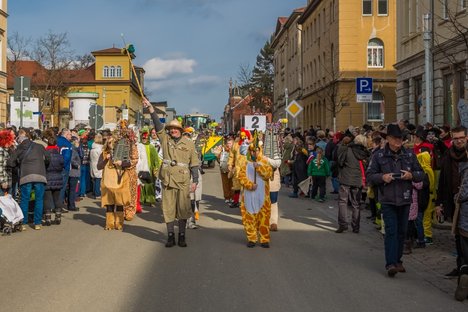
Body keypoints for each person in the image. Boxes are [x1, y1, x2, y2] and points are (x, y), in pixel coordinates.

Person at [367, 124, 424, 277]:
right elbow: (370, 176)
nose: (399, 140)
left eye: (400, 138)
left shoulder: (409, 155)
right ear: (388, 139)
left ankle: (398, 260)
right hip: (387, 199)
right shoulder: (379, 156)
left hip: (405, 198)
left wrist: (411, 175)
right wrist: (382, 177)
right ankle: (390, 263)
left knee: (402, 232)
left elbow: (421, 174)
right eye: (395, 138)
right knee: (391, 231)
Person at [144, 98, 199, 247]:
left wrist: (195, 181)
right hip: (167, 180)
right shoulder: (165, 139)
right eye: (171, 128)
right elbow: (157, 125)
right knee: (167, 209)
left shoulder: (189, 143)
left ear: (181, 130)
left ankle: (181, 236)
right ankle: (170, 236)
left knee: (183, 209)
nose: (173, 130)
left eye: (176, 129)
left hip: (183, 180)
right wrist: (151, 108)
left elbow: (194, 163)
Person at [435, 126, 468, 278]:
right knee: (457, 236)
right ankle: (461, 266)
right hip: (452, 200)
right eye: (456, 138)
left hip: (466, 201)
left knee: (465, 236)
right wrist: (438, 203)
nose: (459, 140)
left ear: (466, 137)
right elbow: (442, 181)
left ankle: (465, 269)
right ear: (452, 140)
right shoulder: (449, 155)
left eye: (462, 137)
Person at [98, 121, 139, 231]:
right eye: (109, 143)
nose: (111, 144)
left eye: (113, 143)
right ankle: (109, 223)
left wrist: (122, 163)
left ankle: (119, 223)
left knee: (120, 202)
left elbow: (130, 162)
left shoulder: (121, 152)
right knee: (109, 203)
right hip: (108, 182)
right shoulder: (104, 153)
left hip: (119, 180)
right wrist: (105, 160)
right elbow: (99, 166)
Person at [7, 129, 50, 230]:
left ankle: (23, 223)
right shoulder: (39, 146)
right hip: (40, 174)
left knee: (25, 199)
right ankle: (37, 223)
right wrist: (43, 167)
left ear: (20, 140)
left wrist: (17, 165)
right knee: (39, 199)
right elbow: (48, 158)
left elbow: (10, 162)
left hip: (25, 176)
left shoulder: (19, 148)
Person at [238, 140, 273, 248]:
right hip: (249, 195)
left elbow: (268, 174)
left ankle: (264, 239)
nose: (254, 153)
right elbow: (241, 177)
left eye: (256, 150)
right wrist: (249, 185)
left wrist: (259, 167)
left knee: (264, 217)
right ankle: (252, 238)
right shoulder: (245, 162)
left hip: (262, 196)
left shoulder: (265, 161)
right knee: (249, 217)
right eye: (252, 151)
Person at [336, 134, 370, 233]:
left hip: (346, 178)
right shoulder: (365, 153)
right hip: (358, 180)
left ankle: (343, 224)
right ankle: (356, 227)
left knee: (343, 202)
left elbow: (340, 162)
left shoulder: (347, 149)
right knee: (356, 204)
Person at [454, 159, 468, 301]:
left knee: (465, 254)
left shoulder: (466, 169)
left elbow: (463, 193)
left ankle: (465, 274)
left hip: (465, 219)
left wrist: (455, 197)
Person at [43, 134, 64, 225]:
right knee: (57, 198)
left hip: (47, 177)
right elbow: (62, 165)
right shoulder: (59, 155)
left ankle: (48, 217)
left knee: (47, 199)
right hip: (57, 177)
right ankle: (58, 216)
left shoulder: (45, 154)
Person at [67, 137, 81, 212]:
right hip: (73, 172)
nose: (78, 143)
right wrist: (77, 165)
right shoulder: (73, 150)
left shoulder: (74, 149)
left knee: (71, 189)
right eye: (77, 142)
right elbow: (72, 159)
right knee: (72, 189)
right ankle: (71, 205)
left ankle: (70, 204)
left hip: (73, 172)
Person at [90, 134, 104, 199]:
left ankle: (94, 192)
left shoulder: (93, 148)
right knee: (98, 179)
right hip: (99, 164)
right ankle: (97, 193)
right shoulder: (100, 149)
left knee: (95, 179)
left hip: (93, 164)